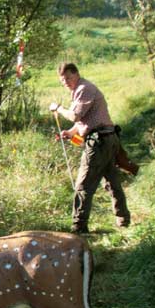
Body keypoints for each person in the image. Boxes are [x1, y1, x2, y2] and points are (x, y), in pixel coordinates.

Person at [49, 62, 130, 235]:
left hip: (100, 142)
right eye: (63, 80)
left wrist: (58, 108)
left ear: (76, 74)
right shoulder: (78, 90)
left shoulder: (84, 88)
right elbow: (83, 121)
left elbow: (75, 115)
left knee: (83, 186)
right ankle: (123, 220)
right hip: (107, 139)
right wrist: (70, 133)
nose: (66, 82)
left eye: (69, 78)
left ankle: (79, 228)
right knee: (112, 183)